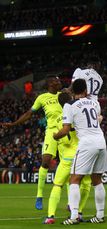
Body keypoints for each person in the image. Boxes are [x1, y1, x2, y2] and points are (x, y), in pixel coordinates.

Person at [0, 76, 69, 210]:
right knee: (45, 162)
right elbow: (28, 113)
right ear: (50, 84)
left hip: (65, 131)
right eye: (57, 81)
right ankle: (39, 195)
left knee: (67, 164)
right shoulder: (42, 98)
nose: (59, 82)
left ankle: (70, 202)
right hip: (51, 131)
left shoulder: (64, 96)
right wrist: (14, 124)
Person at [54, 79, 107, 225]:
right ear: (85, 90)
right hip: (101, 142)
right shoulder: (95, 103)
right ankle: (100, 215)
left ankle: (73, 216)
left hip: (86, 144)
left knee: (74, 179)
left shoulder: (69, 105)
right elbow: (97, 119)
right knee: (97, 180)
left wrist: (55, 136)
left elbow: (65, 130)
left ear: (72, 91)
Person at [43, 92, 92, 224]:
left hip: (67, 157)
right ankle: (79, 212)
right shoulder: (79, 114)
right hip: (82, 154)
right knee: (86, 184)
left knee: (57, 185)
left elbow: (62, 138)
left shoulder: (59, 119)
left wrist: (55, 136)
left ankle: (50, 216)